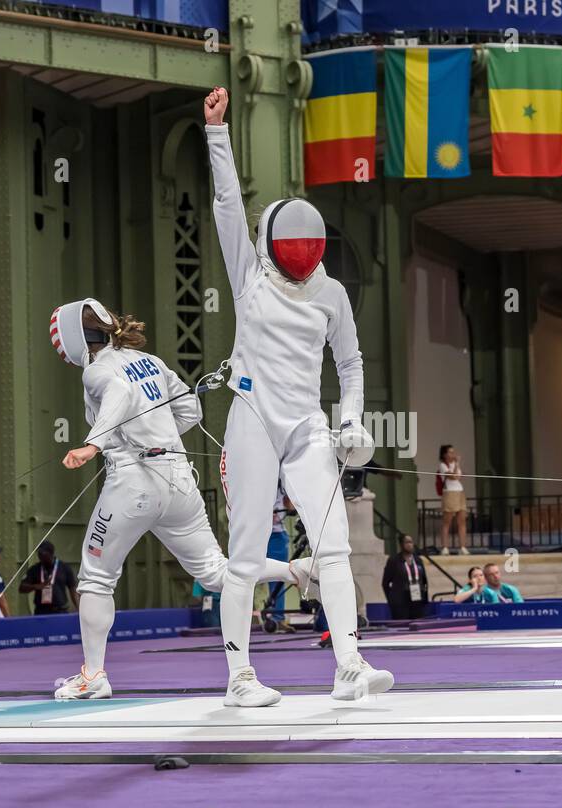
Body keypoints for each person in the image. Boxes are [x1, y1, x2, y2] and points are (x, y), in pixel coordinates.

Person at [205, 86, 393, 701]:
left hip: (309, 426)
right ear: (273, 248)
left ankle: (349, 667)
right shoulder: (249, 278)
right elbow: (228, 206)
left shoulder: (331, 292)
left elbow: (351, 361)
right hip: (253, 416)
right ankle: (238, 677)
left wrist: (354, 422)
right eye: (293, 252)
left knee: (333, 542)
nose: (301, 261)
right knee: (245, 551)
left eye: (310, 254)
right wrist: (217, 134)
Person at [49, 298, 309, 704]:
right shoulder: (150, 360)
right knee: (216, 570)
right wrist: (161, 436)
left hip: (133, 484)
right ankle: (296, 571)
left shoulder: (98, 372)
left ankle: (93, 676)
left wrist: (93, 445)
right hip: (179, 481)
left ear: (75, 339)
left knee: (96, 577)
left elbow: (117, 393)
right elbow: (189, 409)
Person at [19, 541, 80, 616]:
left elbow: (72, 589)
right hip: (41, 612)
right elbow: (22, 588)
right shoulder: (35, 569)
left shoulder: (64, 568)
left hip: (60, 612)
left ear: (50, 553)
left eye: (42, 553)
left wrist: (79, 608)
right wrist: (36, 586)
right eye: (38, 553)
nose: (39, 555)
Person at [264, 485, 294, 633]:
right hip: (258, 532)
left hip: (276, 534)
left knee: (278, 577)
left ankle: (278, 617)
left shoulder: (282, 478)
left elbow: (289, 502)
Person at [381, 534, 429, 620]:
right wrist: (392, 600)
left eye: (411, 542)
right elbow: (385, 583)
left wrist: (424, 597)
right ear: (401, 544)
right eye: (407, 542)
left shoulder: (418, 560)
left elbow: (424, 580)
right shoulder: (394, 560)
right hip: (400, 602)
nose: (410, 544)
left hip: (417, 600)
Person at [437, 444, 469, 555]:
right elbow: (453, 476)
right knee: (447, 521)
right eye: (450, 452)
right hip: (450, 493)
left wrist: (456, 465)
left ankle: (463, 546)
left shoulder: (454, 464)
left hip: (459, 492)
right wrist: (456, 465)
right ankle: (445, 547)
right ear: (444, 454)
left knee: (462, 520)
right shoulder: (442, 465)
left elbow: (459, 477)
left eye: (453, 452)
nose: (453, 454)